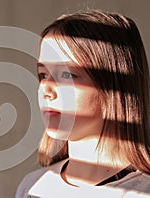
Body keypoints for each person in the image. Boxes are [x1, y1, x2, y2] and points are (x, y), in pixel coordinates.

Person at [16, 10, 150, 198]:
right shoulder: (32, 186)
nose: (46, 89)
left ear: (114, 86)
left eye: (67, 75)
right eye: (43, 75)